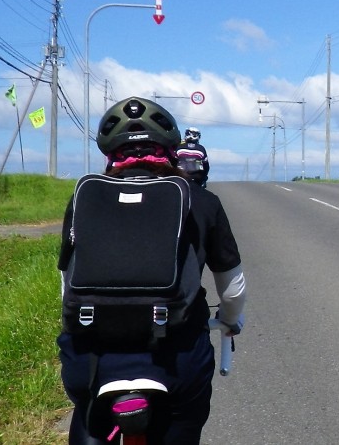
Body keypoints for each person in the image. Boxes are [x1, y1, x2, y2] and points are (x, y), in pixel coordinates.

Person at [57, 97, 246, 444]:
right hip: (177, 361)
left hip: (93, 360)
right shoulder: (201, 200)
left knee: (87, 414)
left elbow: (67, 288)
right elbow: (232, 289)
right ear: (171, 150)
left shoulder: (84, 197)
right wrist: (231, 321)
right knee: (184, 419)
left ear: (109, 153)